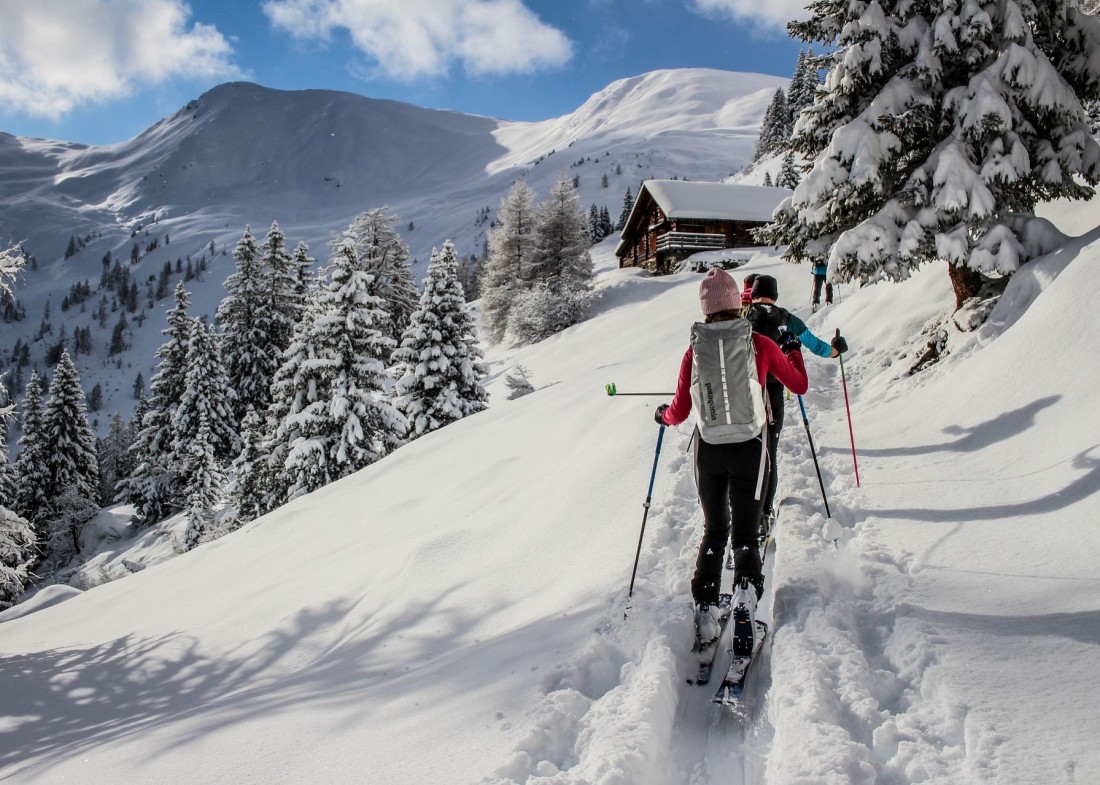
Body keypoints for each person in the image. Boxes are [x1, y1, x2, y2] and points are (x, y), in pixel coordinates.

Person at [654, 268, 808, 645]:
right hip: (751, 450)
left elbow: (679, 409)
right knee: (744, 534)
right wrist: (795, 352)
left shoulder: (695, 349)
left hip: (709, 452)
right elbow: (799, 384)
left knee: (714, 530)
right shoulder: (759, 344)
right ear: (736, 301)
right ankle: (744, 597)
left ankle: (706, 609)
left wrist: (663, 415)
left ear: (705, 307)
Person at [747, 274, 847, 540]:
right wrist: (836, 350)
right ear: (775, 296)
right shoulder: (788, 320)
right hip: (776, 391)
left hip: (745, 393)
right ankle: (765, 513)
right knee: (769, 453)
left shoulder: (742, 318)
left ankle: (743, 512)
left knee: (746, 451)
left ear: (753, 294)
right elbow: (816, 346)